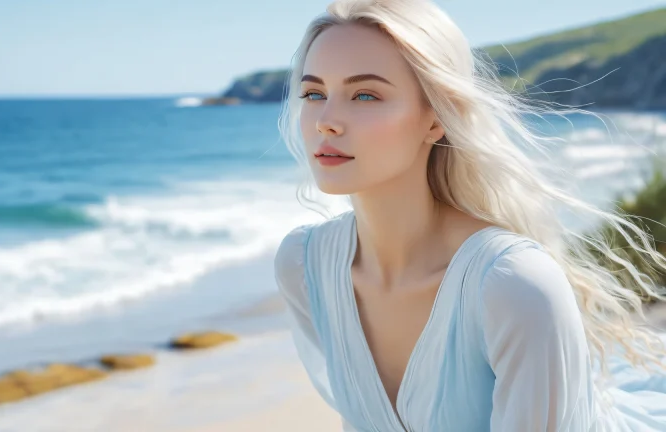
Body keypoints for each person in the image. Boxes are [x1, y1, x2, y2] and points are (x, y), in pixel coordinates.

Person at [272, 0, 666, 430]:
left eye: (365, 94)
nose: (325, 121)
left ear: (437, 118)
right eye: (314, 94)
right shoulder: (305, 265)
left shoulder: (513, 284)